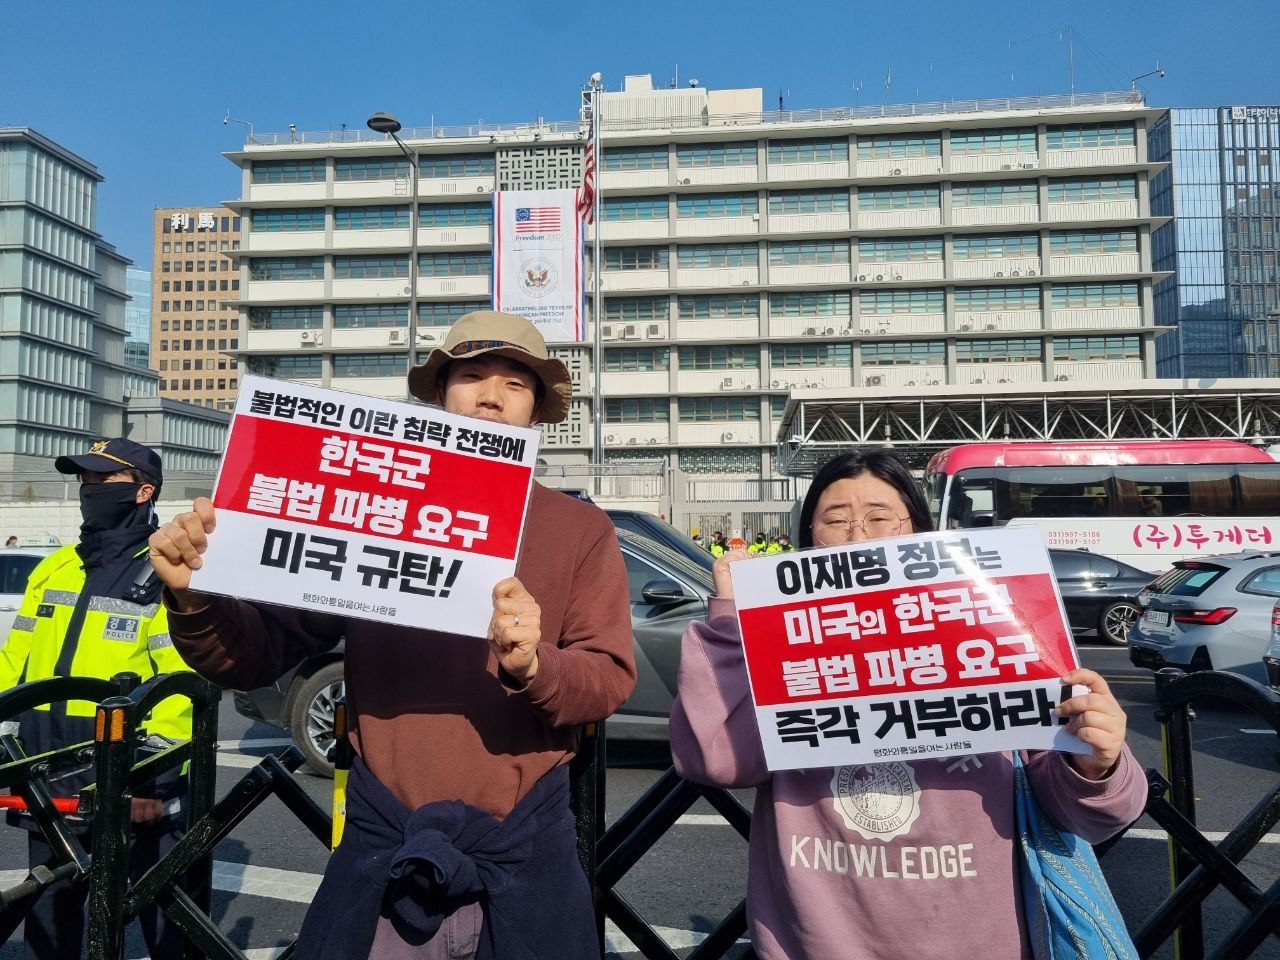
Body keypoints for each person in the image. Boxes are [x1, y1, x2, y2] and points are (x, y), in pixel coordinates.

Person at [148, 310, 636, 959]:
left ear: (538, 410)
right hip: (386, 847)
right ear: (440, 394)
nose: (492, 395)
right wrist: (194, 595)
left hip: (525, 851)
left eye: (516, 383)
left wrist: (534, 665)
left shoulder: (579, 529)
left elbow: (606, 678)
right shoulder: (372, 507)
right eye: (471, 376)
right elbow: (253, 654)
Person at [669, 449, 1146, 960]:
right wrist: (731, 620)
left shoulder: (989, 631)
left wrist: (1096, 764)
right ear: (809, 537)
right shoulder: (783, 649)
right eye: (836, 520)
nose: (858, 537)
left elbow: (1094, 816)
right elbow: (715, 760)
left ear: (918, 531)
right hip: (813, 944)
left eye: (879, 518)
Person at [0, 438, 191, 960]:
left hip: (128, 769)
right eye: (85, 479)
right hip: (46, 767)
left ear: (143, 491)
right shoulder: (56, 567)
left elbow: (180, 683)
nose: (89, 489)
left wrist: (154, 775)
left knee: (162, 911)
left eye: (103, 480)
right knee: (50, 907)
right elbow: (14, 661)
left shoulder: (165, 572)